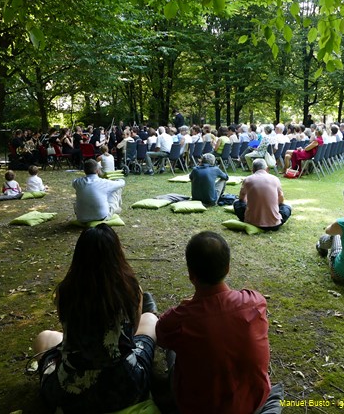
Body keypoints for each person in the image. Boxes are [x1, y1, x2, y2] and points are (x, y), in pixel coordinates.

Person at [33, 224, 159, 413]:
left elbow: (69, 333)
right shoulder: (131, 288)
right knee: (149, 318)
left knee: (45, 337)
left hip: (70, 394)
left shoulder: (65, 291)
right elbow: (131, 333)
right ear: (117, 253)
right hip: (126, 388)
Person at [156, 231, 282, 414]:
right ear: (227, 268)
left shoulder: (180, 319)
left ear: (191, 275)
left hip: (198, 407)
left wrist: (185, 307)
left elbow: (160, 334)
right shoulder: (256, 302)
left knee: (173, 350)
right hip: (254, 402)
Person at [233, 159, 291, 231]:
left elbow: (241, 199)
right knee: (287, 207)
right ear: (267, 169)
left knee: (237, 203)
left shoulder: (247, 180)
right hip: (274, 224)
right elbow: (281, 200)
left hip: (251, 222)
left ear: (253, 170)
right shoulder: (275, 179)